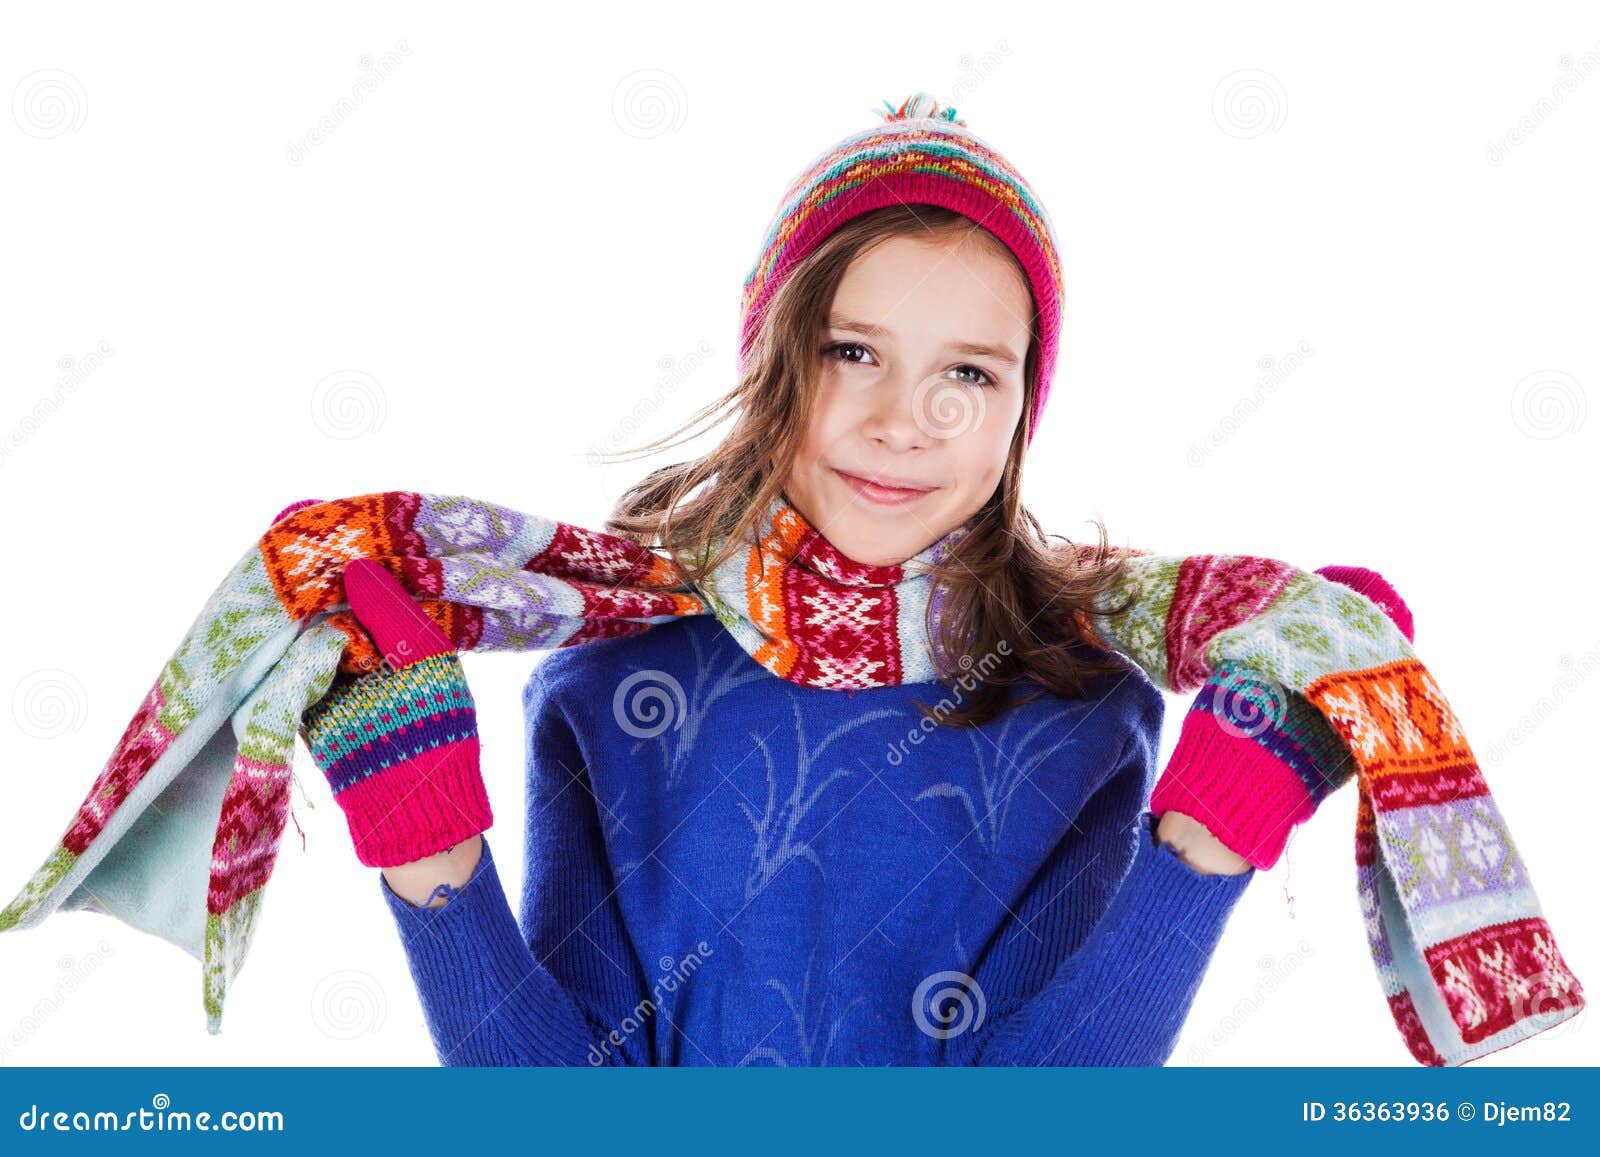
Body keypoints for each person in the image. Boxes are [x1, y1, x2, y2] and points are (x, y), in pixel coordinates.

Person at [298, 93, 1411, 1066]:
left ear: (1022, 409)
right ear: (768, 357)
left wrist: (1209, 841)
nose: (900, 423)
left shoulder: (1083, 704)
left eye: (967, 372)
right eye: (850, 351)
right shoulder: (613, 679)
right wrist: (423, 837)